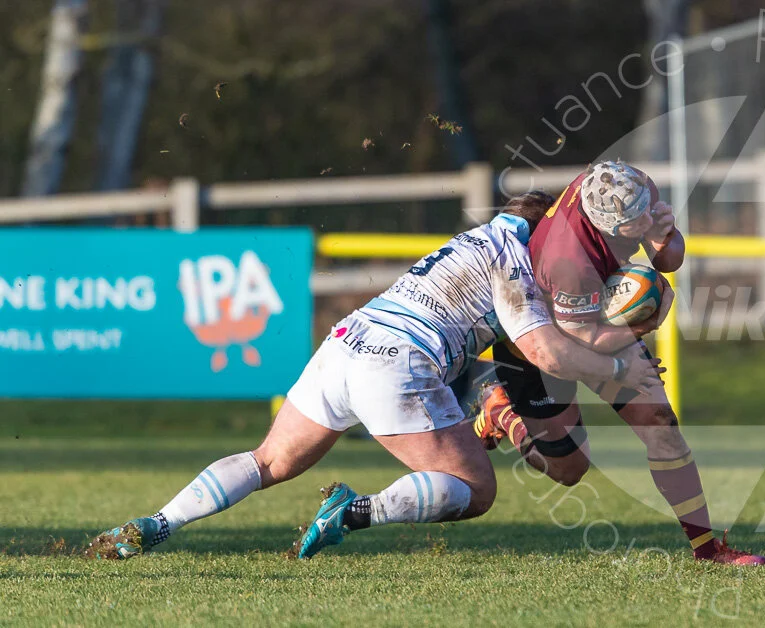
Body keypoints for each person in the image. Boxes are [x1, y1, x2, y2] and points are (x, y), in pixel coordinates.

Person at [86, 192, 664, 560]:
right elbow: (547, 352)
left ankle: (157, 523)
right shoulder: (517, 266)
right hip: (398, 363)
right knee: (477, 489)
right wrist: (619, 364)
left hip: (347, 342)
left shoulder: (488, 237)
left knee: (270, 461)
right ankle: (356, 511)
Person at [467, 161, 765, 565]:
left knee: (661, 425)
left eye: (647, 208)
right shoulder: (568, 260)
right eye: (635, 221)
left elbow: (668, 260)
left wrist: (666, 236)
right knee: (569, 470)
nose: (645, 216)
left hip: (594, 315)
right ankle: (505, 413)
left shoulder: (629, 186)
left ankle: (708, 550)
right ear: (605, 225)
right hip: (541, 344)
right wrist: (644, 325)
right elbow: (580, 342)